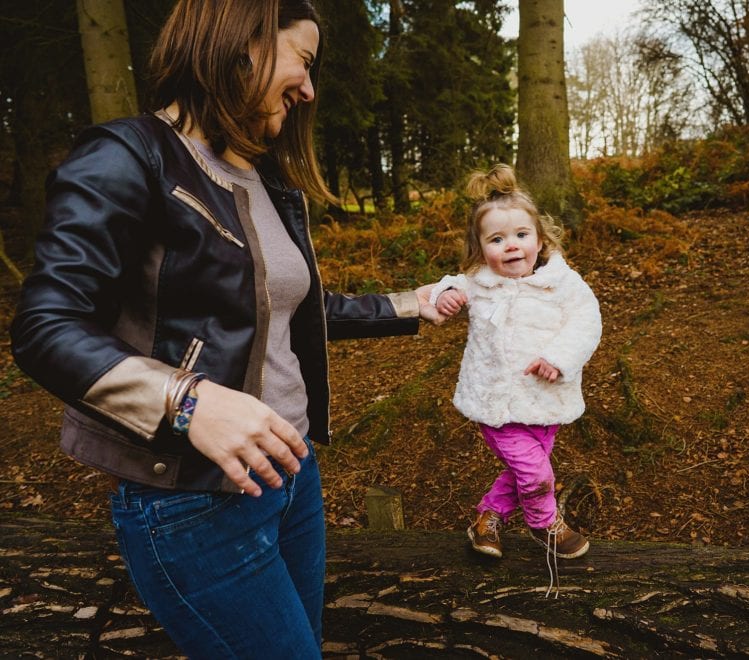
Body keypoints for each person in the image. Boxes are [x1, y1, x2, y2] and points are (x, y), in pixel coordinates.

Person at [10, 1, 445, 656]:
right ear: (243, 41)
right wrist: (186, 401)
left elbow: (289, 310)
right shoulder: (126, 156)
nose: (309, 89)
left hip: (293, 475)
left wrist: (413, 304)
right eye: (303, 60)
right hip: (192, 504)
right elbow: (46, 325)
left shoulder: (263, 181)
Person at [430, 164, 602, 583]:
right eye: (497, 239)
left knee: (525, 468)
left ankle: (487, 518)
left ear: (539, 239)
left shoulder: (563, 283)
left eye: (521, 236)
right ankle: (546, 525)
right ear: (481, 248)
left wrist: (559, 358)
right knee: (537, 473)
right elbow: (445, 286)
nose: (511, 246)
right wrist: (446, 295)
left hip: (547, 400)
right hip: (496, 402)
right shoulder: (479, 282)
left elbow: (587, 321)